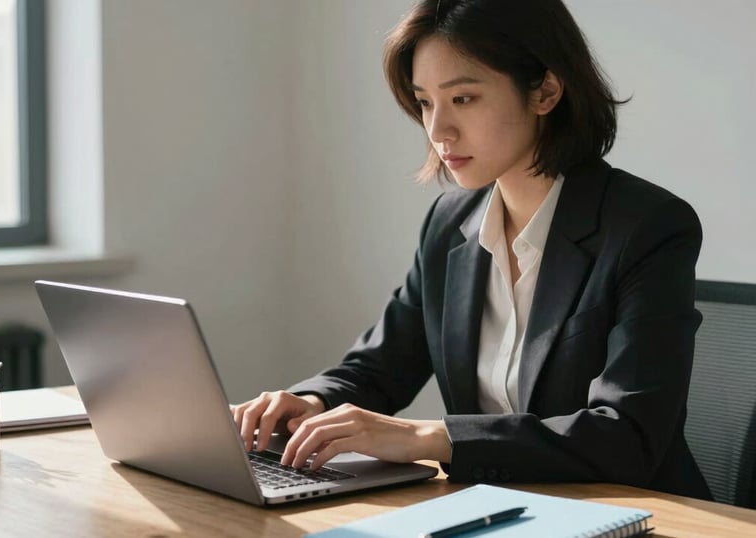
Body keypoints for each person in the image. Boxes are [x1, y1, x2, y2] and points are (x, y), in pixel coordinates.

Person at [231, 0, 711, 500]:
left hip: (638, 514)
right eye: (424, 102)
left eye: (462, 99)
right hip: (499, 506)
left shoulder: (647, 226)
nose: (438, 131)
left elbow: (626, 435)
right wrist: (311, 401)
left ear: (545, 91)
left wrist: (428, 436)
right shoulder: (451, 223)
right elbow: (381, 366)